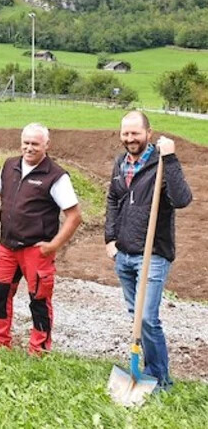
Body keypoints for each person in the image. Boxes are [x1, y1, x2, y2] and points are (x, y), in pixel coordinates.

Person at [105, 111, 192, 391]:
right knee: (137, 318)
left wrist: (171, 158)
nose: (130, 138)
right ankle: (148, 371)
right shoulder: (121, 163)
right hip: (124, 253)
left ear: (148, 133)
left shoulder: (161, 163)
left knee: (147, 318)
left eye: (135, 133)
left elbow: (182, 199)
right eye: (126, 133)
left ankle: (160, 378)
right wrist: (110, 239)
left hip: (152, 253)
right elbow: (113, 200)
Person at [0, 123, 82, 354]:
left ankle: (39, 350)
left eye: (35, 144)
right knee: (0, 294)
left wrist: (53, 245)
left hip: (36, 249)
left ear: (47, 145)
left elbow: (75, 216)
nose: (29, 148)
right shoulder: (10, 166)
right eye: (26, 143)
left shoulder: (56, 176)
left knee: (39, 299)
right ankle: (0, 345)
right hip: (7, 246)